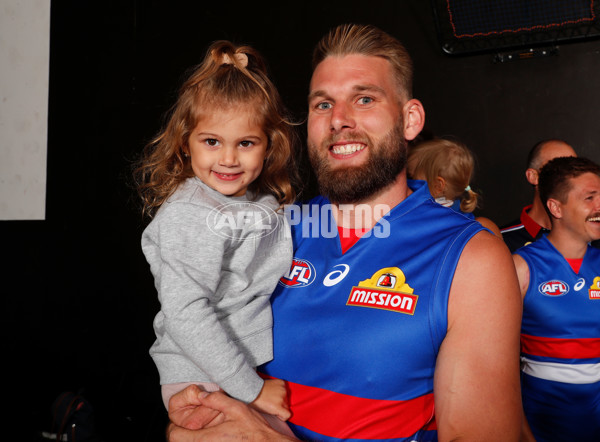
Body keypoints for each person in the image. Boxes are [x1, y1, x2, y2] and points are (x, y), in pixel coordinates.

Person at [166, 24, 523, 442]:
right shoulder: (271, 228)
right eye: (322, 105)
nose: (339, 120)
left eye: (365, 99)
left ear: (410, 120)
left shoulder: (470, 258)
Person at [135, 40, 299, 427]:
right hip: (201, 376)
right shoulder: (193, 212)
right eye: (212, 141)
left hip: (232, 370)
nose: (228, 159)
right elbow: (186, 312)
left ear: (268, 146)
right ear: (185, 142)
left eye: (245, 143)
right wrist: (251, 389)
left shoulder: (253, 201)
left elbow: (274, 225)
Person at [512, 156, 600, 442]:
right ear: (555, 207)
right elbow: (493, 366)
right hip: (539, 428)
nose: (599, 207)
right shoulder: (520, 268)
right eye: (590, 197)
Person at [407, 137, 502, 237]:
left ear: (438, 186)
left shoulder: (427, 216)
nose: (407, 182)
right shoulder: (461, 213)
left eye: (411, 177)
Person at [500, 139, 576, 252]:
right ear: (533, 177)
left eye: (575, 169)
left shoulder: (591, 235)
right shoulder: (501, 240)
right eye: (558, 169)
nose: (570, 178)